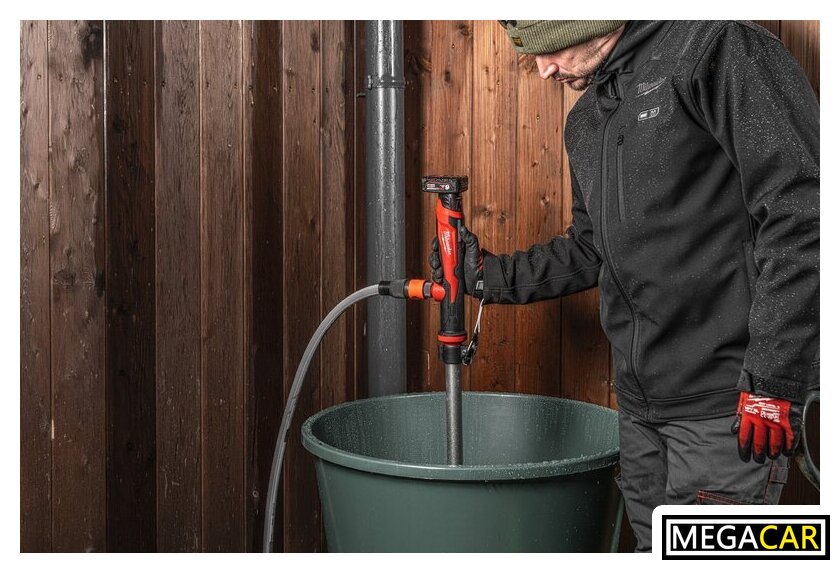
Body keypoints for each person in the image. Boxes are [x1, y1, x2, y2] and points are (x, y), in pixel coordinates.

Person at [429, 20, 819, 552]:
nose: (543, 70)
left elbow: (805, 212)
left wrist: (775, 377)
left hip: (728, 408)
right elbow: (590, 247)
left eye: (550, 48)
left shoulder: (716, 48)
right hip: (640, 412)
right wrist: (485, 276)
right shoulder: (589, 119)